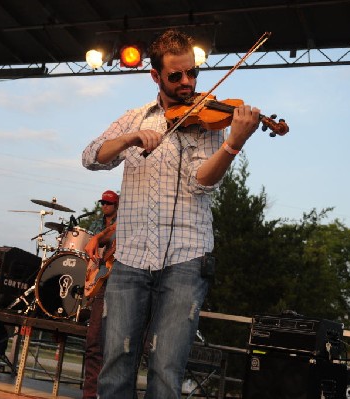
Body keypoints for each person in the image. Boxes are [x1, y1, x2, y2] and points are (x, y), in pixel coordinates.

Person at [81, 29, 261, 399]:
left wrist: (232, 144)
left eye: (192, 73)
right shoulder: (135, 118)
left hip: (187, 257)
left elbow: (202, 182)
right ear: (156, 76)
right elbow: (91, 156)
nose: (187, 82)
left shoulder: (210, 118)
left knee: (166, 370)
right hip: (130, 258)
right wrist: (131, 138)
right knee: (115, 365)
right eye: (176, 75)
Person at [82, 190, 118, 399]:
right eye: (102, 202)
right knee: (94, 340)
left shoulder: (126, 219)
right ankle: (90, 394)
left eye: (108, 203)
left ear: (116, 205)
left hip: (121, 280)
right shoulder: (97, 224)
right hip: (102, 278)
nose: (104, 205)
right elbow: (90, 247)